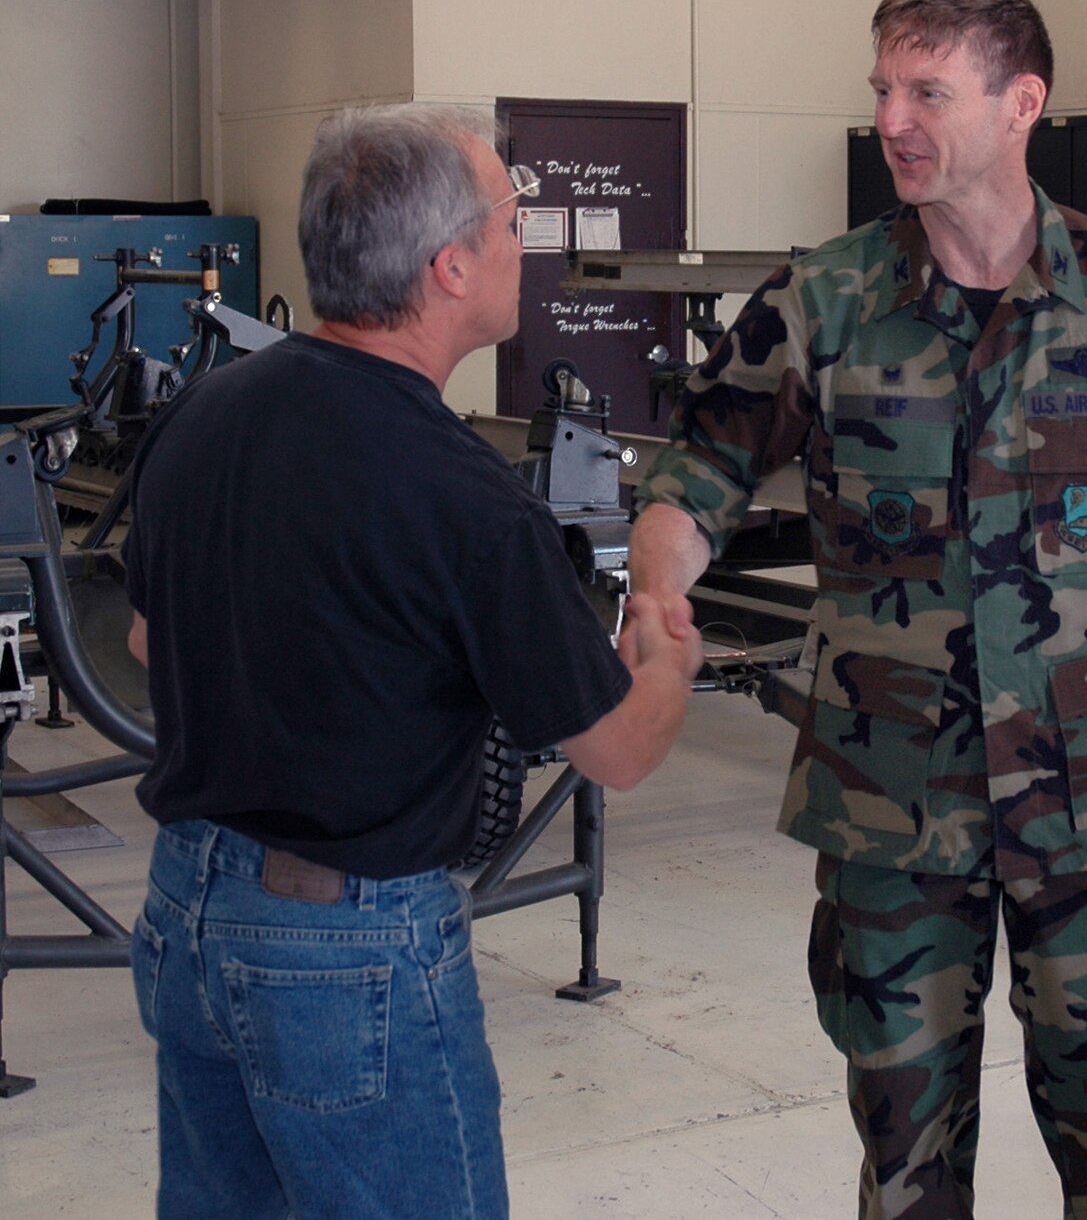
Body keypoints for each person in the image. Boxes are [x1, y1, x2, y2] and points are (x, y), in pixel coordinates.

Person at [630, 0, 1087, 1219]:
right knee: (906, 1175)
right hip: (894, 813)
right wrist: (658, 590)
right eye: (883, 90)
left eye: (927, 91)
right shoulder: (822, 300)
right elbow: (698, 473)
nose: (894, 118)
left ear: (1021, 105)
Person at [122, 103, 704, 1219]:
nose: (519, 239)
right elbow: (617, 750)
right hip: (345, 948)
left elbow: (152, 639)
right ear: (449, 267)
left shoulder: (203, 411)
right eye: (509, 218)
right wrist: (662, 641)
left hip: (185, 909)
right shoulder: (468, 499)